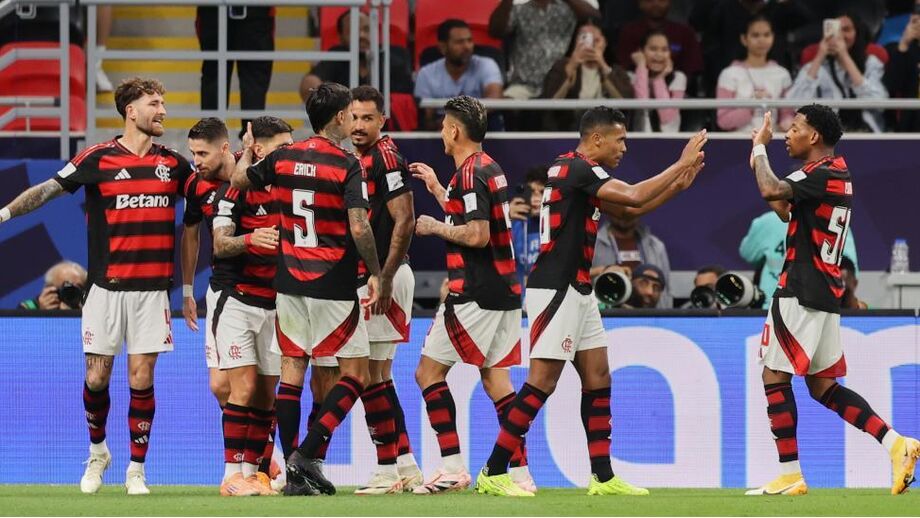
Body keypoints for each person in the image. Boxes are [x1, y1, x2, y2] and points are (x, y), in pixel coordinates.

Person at [475, 107, 705, 497]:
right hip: (556, 287)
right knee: (541, 383)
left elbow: (631, 208)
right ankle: (493, 470)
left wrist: (678, 186)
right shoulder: (578, 168)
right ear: (597, 139)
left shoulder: (575, 172)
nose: (624, 148)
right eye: (620, 140)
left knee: (598, 378)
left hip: (578, 289)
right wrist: (678, 163)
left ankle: (602, 476)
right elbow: (632, 194)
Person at [0, 77, 193, 495]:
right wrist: (4, 214)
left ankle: (136, 470)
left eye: (163, 102)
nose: (162, 111)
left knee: (141, 378)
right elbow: (47, 191)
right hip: (105, 290)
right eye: (154, 103)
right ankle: (98, 451)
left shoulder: (175, 165)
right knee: (96, 378)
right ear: (131, 111)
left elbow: (210, 191)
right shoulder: (98, 158)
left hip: (151, 292)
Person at [745, 106, 919, 496]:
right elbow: (784, 206)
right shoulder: (835, 174)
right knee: (823, 387)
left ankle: (790, 475)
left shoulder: (817, 173)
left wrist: (760, 150)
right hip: (823, 293)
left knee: (774, 375)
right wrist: (758, 165)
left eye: (795, 128)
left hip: (799, 288)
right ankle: (897, 445)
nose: (788, 134)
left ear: (815, 137)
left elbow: (772, 190)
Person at [231, 82, 389, 497]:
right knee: (357, 373)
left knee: (293, 373)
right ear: (339, 117)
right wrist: (376, 272)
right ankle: (307, 452)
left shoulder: (283, 156)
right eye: (350, 115)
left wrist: (248, 148)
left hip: (288, 282)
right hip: (332, 282)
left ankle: (295, 477)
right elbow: (359, 225)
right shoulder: (346, 163)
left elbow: (236, 178)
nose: (353, 121)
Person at [410, 95, 534, 495]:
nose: (441, 133)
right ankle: (519, 473)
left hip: (474, 292)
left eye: (443, 125)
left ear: (454, 130)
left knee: (427, 373)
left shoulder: (468, 174)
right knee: (497, 381)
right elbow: (473, 217)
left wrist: (433, 226)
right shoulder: (489, 168)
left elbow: (477, 234)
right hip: (505, 291)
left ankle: (452, 468)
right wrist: (436, 190)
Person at [348, 85, 424, 494]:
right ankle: (406, 465)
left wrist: (387, 275)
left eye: (367, 118)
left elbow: (405, 219)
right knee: (381, 375)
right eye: (353, 117)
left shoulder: (386, 157)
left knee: (369, 375)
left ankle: (385, 470)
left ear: (383, 121)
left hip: (384, 278)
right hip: (378, 276)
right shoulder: (362, 157)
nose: (359, 125)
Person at [786, 13, 889, 133]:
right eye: (836, 30)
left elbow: (879, 102)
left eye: (846, 30)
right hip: (827, 135)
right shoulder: (815, 67)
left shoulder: (871, 63)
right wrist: (820, 55)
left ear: (857, 32)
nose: (840, 36)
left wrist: (844, 56)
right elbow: (795, 104)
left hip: (867, 133)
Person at [740, 209, 857, 309]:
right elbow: (847, 271)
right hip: (816, 309)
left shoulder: (766, 222)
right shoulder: (834, 222)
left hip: (773, 307)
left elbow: (748, 253)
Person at [489, 0, 601, 100]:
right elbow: (495, 31)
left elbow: (594, 17)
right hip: (524, 85)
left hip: (558, 82)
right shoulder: (519, 8)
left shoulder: (567, 9)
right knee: (505, 105)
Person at [541, 20, 634, 131]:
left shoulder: (615, 70)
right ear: (575, 41)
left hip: (607, 130)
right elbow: (550, 102)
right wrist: (571, 66)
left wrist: (603, 66)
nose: (591, 45)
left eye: (596, 40)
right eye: (584, 39)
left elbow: (627, 104)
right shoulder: (562, 66)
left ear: (605, 43)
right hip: (570, 129)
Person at [299, 11, 413, 101]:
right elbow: (308, 86)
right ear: (341, 37)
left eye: (366, 30)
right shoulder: (338, 55)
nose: (362, 35)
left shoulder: (395, 56)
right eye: (353, 31)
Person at [196, 6, 274, 135]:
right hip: (224, 12)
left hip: (247, 13)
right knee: (217, 74)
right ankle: (248, 145)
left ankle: (212, 141)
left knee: (216, 75)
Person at [415, 19, 504, 131]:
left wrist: (460, 119)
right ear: (443, 47)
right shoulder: (426, 73)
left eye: (469, 40)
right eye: (459, 42)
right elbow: (426, 117)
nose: (467, 47)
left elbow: (494, 99)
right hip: (442, 130)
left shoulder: (486, 64)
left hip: (479, 125)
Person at [716, 15, 794, 133]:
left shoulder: (782, 74)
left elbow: (788, 114)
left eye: (766, 35)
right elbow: (723, 120)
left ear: (773, 37)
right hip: (738, 142)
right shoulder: (729, 74)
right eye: (755, 35)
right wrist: (751, 108)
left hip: (774, 141)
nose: (761, 40)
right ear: (744, 39)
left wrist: (782, 127)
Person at [591, 216, 672, 309]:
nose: (625, 214)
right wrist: (603, 270)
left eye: (631, 208)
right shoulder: (591, 242)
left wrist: (662, 320)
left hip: (647, 317)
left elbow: (665, 293)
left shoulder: (655, 246)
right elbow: (574, 278)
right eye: (620, 207)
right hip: (603, 314)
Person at [616, 0, 703, 79]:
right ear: (640, 4)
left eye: (661, 0)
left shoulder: (685, 32)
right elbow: (623, 68)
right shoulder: (628, 32)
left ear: (669, 2)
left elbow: (693, 69)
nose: (656, 4)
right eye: (649, 1)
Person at [629, 30, 686, 133]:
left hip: (669, 141)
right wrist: (641, 66)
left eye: (664, 50)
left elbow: (666, 118)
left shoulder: (679, 78)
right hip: (639, 140)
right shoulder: (633, 77)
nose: (659, 54)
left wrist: (659, 79)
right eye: (653, 49)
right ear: (641, 52)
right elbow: (642, 107)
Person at [510, 166, 548, 288]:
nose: (536, 198)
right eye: (531, 192)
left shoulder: (559, 225)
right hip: (520, 300)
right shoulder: (514, 223)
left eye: (542, 192)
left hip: (548, 297)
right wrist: (504, 219)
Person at [884, 4, 920, 132]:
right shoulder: (900, 50)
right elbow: (893, 85)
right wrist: (904, 43)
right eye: (915, 21)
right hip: (910, 125)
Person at [18, 260, 87, 310]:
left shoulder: (89, 309)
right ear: (50, 290)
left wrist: (79, 315)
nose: (71, 292)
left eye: (78, 287)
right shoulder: (28, 309)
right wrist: (43, 314)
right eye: (66, 287)